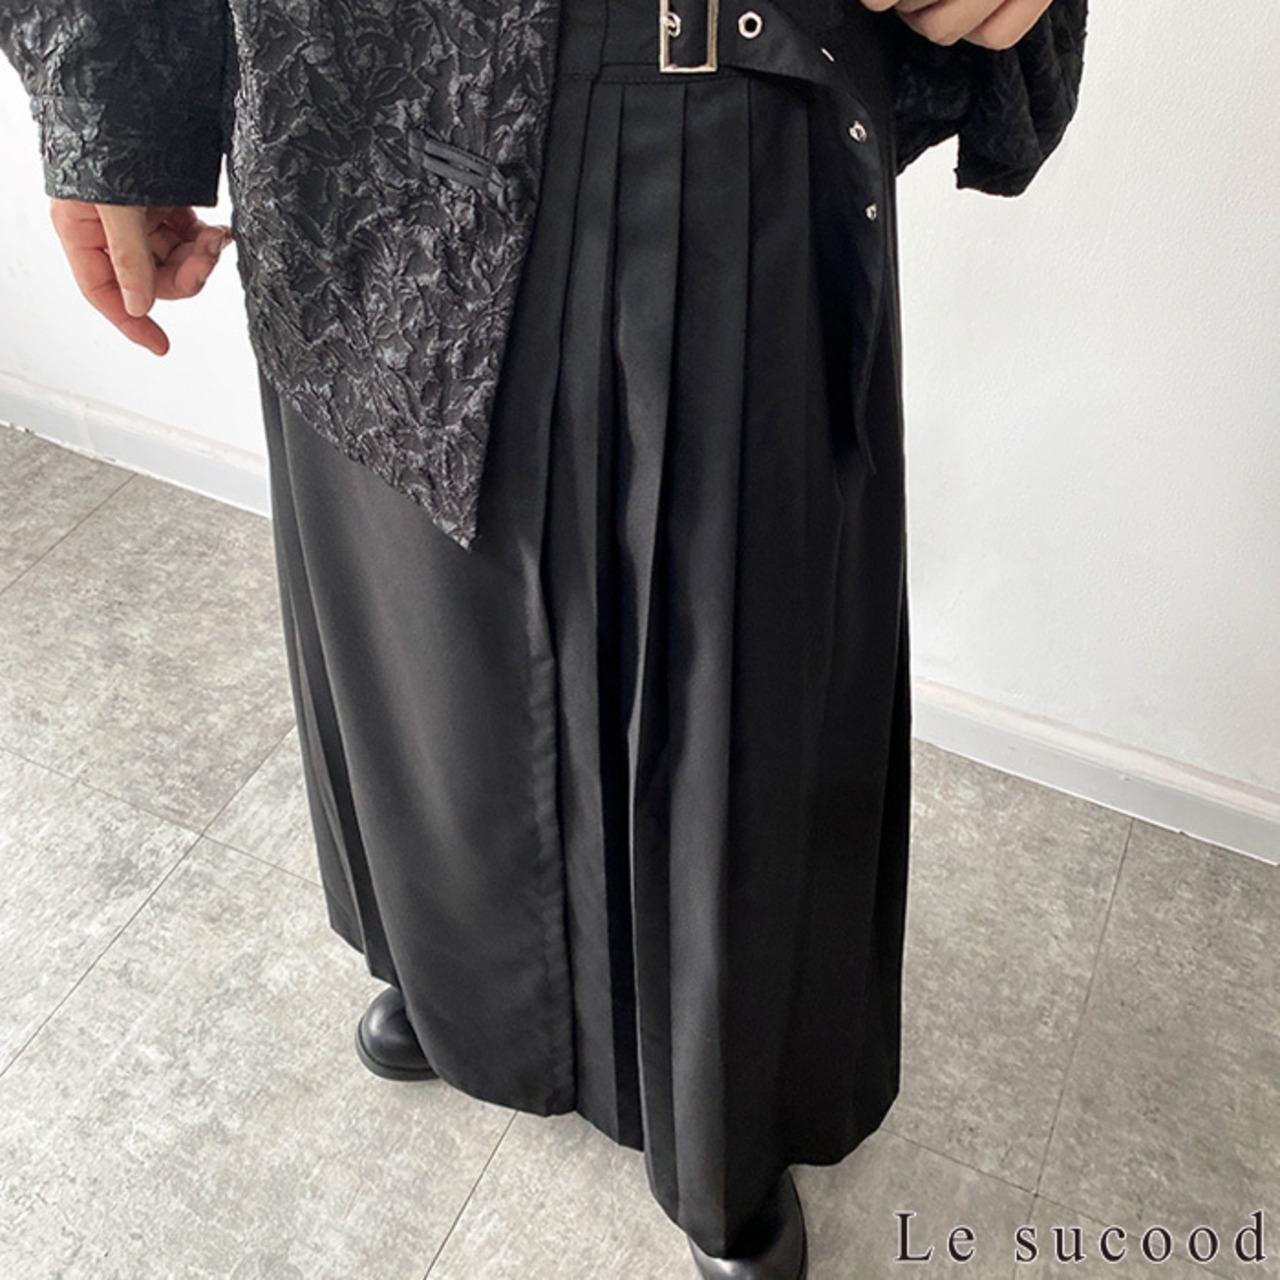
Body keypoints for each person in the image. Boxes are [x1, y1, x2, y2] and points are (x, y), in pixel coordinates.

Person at [1, 0, 1085, 1275]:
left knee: (730, 688)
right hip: (356, 107)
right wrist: (106, 99)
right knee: (416, 637)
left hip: (716, 79)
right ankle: (452, 984)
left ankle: (722, 1124)